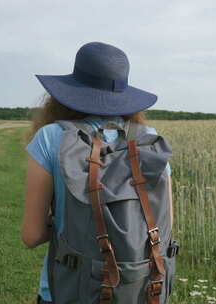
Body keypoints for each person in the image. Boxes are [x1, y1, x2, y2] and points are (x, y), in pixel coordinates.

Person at [22, 42, 173, 304]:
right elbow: (165, 221)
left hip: (67, 292)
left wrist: (68, 221)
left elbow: (31, 236)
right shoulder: (151, 141)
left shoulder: (50, 138)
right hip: (141, 290)